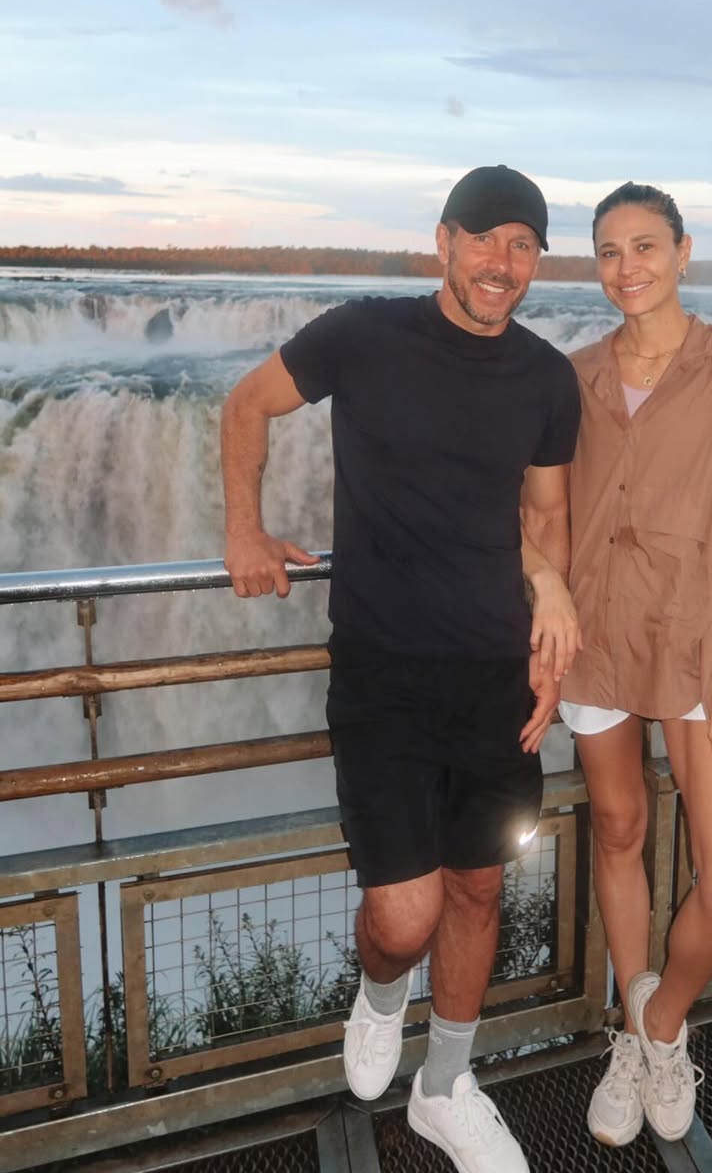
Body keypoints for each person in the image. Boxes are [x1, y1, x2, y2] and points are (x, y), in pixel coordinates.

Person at [220, 165, 581, 1173]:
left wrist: (552, 621)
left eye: (522, 245)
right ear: (444, 243)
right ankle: (380, 994)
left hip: (497, 680)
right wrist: (245, 528)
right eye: (483, 240)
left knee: (477, 891)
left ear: (535, 261)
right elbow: (246, 406)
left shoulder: (549, 380)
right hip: (381, 673)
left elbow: (545, 523)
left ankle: (445, 1085)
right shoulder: (363, 336)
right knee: (406, 913)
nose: (501, 263)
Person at [537, 181, 712, 1147]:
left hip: (696, 648)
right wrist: (542, 595)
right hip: (594, 638)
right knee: (620, 826)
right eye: (608, 251)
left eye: (646, 246)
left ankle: (660, 1022)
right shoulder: (573, 376)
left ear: (685, 251)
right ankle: (624, 1039)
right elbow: (540, 514)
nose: (628, 267)